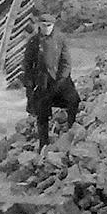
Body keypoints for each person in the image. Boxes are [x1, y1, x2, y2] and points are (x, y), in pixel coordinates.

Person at [22, 11, 80, 149]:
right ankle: (43, 143)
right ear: (39, 25)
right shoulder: (33, 42)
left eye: (49, 25)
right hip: (42, 81)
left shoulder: (60, 39)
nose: (47, 28)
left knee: (73, 100)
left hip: (59, 80)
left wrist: (62, 79)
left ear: (53, 26)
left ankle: (71, 130)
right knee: (41, 112)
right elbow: (27, 64)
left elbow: (66, 62)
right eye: (44, 25)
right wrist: (29, 85)